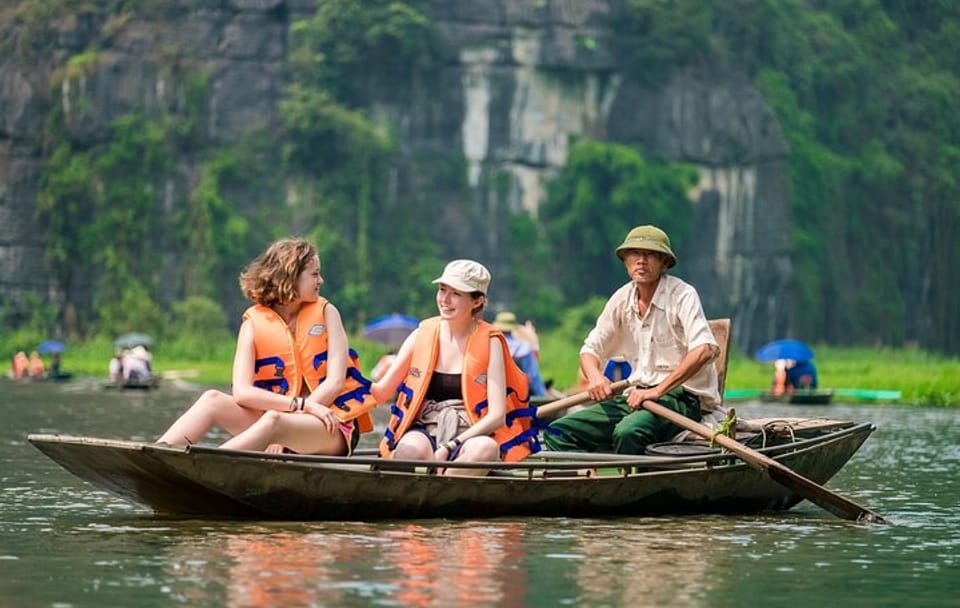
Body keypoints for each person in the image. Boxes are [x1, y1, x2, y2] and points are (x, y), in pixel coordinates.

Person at [157, 237, 374, 455]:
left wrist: (288, 425)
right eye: (315, 274)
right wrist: (299, 406)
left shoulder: (328, 313)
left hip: (331, 426)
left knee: (274, 420)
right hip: (278, 422)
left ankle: (202, 466)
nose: (321, 281)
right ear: (290, 277)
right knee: (211, 400)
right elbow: (242, 393)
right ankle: (157, 455)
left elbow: (335, 382)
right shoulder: (253, 324)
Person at [544, 224, 721, 455]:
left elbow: (704, 350)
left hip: (681, 398)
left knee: (628, 432)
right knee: (558, 431)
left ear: (664, 262)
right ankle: (586, 481)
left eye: (650, 255)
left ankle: (630, 486)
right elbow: (590, 349)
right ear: (625, 261)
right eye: (635, 254)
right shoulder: (621, 299)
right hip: (636, 396)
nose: (641, 261)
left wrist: (657, 391)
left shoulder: (682, 295)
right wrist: (596, 377)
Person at [369, 259, 540, 475]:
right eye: (442, 290)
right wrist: (340, 384)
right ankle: (418, 493)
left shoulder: (491, 341)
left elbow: (496, 416)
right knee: (408, 449)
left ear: (477, 302)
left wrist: (450, 446)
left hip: (471, 431)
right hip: (426, 425)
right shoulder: (423, 333)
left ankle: (445, 491)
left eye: (456, 294)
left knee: (486, 449)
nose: (445, 300)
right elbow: (381, 391)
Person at [492, 311, 548, 397]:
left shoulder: (490, 345)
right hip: (519, 393)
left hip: (494, 392)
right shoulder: (524, 347)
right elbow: (533, 376)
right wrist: (542, 395)